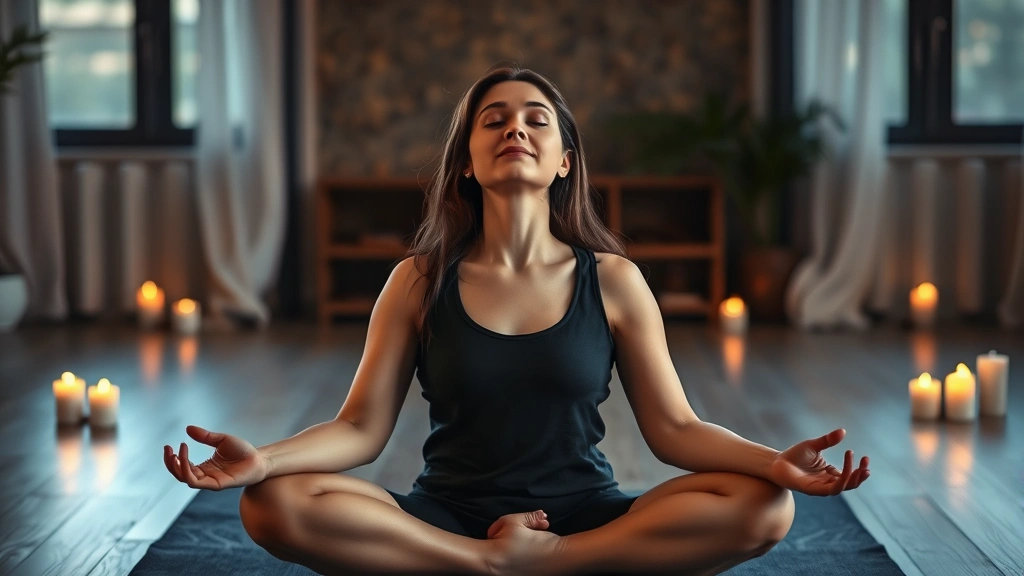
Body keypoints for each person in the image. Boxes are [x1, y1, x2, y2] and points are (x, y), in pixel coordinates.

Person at [163, 66, 870, 576]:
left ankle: (555, 560)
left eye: (537, 119)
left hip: (585, 514)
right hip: (445, 518)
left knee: (765, 507)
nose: (515, 129)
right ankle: (487, 563)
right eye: (494, 119)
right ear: (467, 164)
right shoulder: (417, 279)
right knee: (271, 505)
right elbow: (359, 429)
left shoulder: (614, 280)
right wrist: (264, 460)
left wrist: (772, 463)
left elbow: (676, 430)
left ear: (564, 161)